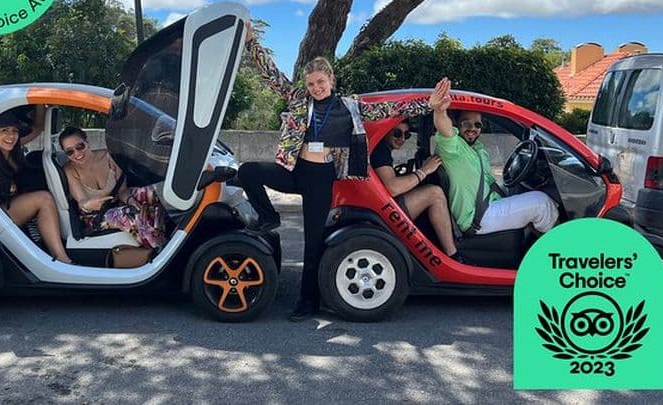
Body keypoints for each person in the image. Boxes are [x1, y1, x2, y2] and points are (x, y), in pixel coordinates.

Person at [238, 26, 450, 321]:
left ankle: (307, 302)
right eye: (311, 83)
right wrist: (251, 42)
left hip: (321, 178)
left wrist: (427, 104)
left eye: (320, 82)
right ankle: (269, 216)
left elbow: (389, 109)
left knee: (313, 244)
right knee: (248, 171)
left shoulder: (349, 106)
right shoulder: (299, 99)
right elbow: (271, 76)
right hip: (295, 170)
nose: (316, 88)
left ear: (331, 80)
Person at [431, 79, 558, 236]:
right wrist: (439, 111)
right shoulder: (453, 148)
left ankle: (533, 239)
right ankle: (557, 249)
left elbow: (490, 182)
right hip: (477, 217)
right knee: (542, 203)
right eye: (466, 124)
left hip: (489, 203)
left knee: (518, 190)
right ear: (456, 125)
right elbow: (444, 128)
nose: (473, 129)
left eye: (477, 125)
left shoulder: (477, 149)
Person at [0, 111, 72, 264]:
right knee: (43, 198)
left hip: (11, 207)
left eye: (15, 131)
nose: (11, 136)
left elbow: (38, 128)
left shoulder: (13, 150)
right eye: (4, 130)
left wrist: (40, 101)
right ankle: (61, 259)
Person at [59, 126, 168, 250]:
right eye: (70, 152)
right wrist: (90, 204)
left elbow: (122, 191)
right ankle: (160, 251)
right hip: (94, 216)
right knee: (131, 214)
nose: (77, 153)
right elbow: (82, 202)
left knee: (155, 193)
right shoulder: (69, 170)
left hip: (116, 201)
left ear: (87, 142)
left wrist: (131, 201)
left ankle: (168, 235)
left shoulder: (108, 157)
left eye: (80, 146)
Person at [370, 120, 463, 262]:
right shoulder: (380, 150)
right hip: (383, 210)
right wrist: (424, 170)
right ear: (386, 131)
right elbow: (393, 188)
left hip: (381, 204)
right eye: (397, 133)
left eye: (406, 135)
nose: (401, 139)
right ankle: (453, 256)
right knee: (435, 193)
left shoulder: (383, 150)